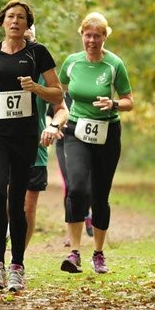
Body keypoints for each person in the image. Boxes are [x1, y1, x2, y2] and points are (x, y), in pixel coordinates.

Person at [0, 0, 63, 291]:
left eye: (21, 18)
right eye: (10, 17)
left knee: (17, 201)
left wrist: (36, 88)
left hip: (25, 136)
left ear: (28, 25)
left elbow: (57, 95)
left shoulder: (37, 53)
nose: (15, 21)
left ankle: (17, 265)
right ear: (2, 21)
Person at [59, 12, 133, 274]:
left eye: (97, 36)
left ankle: (98, 253)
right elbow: (60, 91)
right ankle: (74, 252)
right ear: (82, 35)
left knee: (100, 195)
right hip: (77, 131)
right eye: (88, 35)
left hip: (107, 133)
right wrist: (56, 117)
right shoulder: (71, 62)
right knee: (77, 188)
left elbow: (129, 100)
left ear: (104, 37)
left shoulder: (114, 64)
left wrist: (113, 103)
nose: (92, 40)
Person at [22, 26, 69, 249]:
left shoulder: (42, 70)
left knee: (28, 208)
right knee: (2, 202)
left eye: (28, 37)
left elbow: (62, 108)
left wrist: (52, 125)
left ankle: (16, 260)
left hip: (34, 147)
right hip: (1, 143)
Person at [52, 92, 94, 246]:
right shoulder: (60, 95)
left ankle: (86, 213)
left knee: (88, 188)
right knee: (70, 187)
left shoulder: (90, 94)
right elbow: (50, 114)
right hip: (64, 143)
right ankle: (71, 233)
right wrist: (54, 125)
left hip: (87, 142)